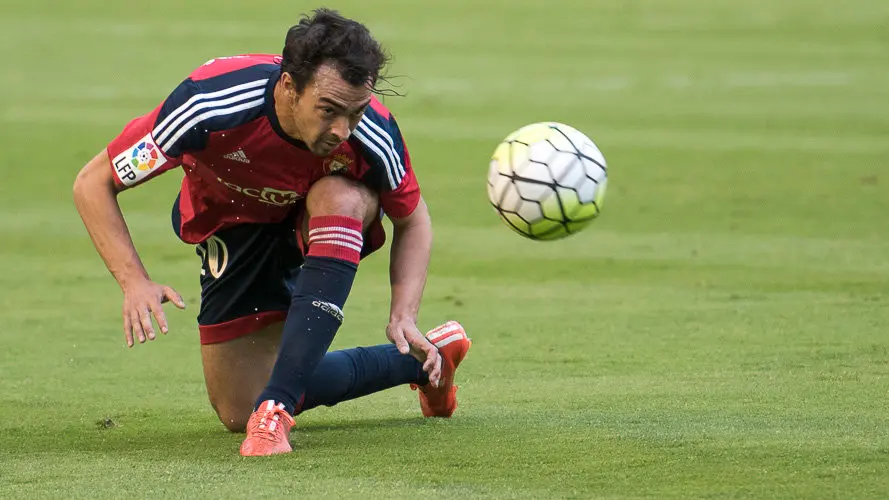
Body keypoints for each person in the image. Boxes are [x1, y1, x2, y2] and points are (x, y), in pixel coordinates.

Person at [72, 8, 471, 457]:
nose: (342, 130)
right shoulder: (208, 104)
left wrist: (404, 315)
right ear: (288, 87)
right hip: (234, 223)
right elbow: (94, 183)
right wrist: (133, 281)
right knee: (237, 408)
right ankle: (425, 362)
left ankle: (276, 411)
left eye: (355, 112)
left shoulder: (373, 133)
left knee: (339, 195)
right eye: (328, 111)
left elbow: (413, 219)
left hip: (316, 217)